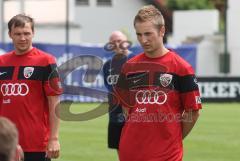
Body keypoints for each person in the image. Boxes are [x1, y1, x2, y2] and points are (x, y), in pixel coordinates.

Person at [115, 5, 202, 161]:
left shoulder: (182, 68)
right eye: (139, 34)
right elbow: (126, 108)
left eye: (148, 34)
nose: (143, 40)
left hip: (167, 155)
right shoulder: (129, 67)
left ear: (162, 31)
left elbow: (193, 112)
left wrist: (171, 139)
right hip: (130, 153)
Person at [0, 14, 62, 161]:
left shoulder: (46, 61)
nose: (23, 38)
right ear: (10, 35)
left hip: (36, 144)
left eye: (27, 33)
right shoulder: (1, 62)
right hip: (4, 143)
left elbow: (54, 101)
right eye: (18, 34)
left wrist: (54, 138)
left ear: (33, 33)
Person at [102, 31, 134, 155]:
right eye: (113, 42)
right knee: (119, 147)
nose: (117, 44)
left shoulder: (136, 60)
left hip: (134, 113)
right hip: (115, 112)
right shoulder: (107, 65)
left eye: (119, 41)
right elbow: (109, 86)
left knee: (137, 148)